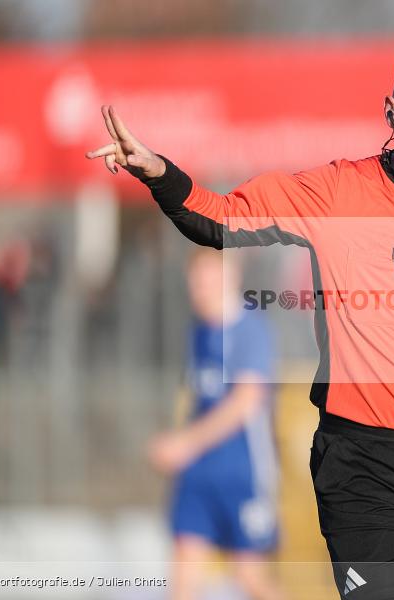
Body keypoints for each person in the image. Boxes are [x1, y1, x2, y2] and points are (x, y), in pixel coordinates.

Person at [89, 42, 394, 600]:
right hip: (363, 466)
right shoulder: (335, 192)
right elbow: (222, 216)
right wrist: (159, 173)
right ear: (392, 114)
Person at [147, 248, 284, 600]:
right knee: (183, 578)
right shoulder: (198, 332)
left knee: (250, 578)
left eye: (208, 279)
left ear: (231, 277)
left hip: (242, 473)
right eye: (195, 281)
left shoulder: (249, 329)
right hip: (198, 475)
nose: (200, 289)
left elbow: (246, 402)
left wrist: (185, 443)